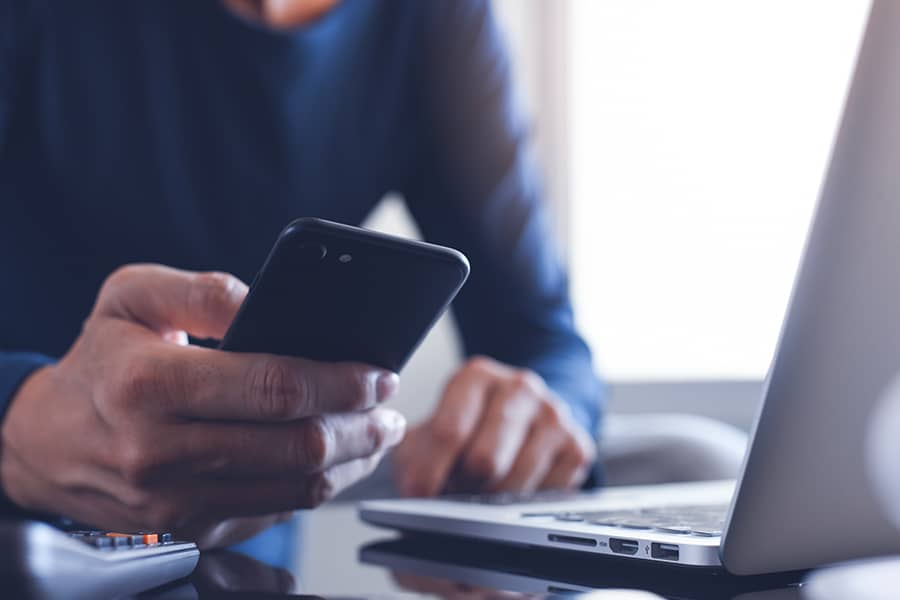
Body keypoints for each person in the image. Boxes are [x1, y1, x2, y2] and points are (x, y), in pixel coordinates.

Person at [0, 0, 602, 560]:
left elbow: (543, 338)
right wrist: (18, 423)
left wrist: (536, 416)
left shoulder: (433, 17)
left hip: (246, 566)